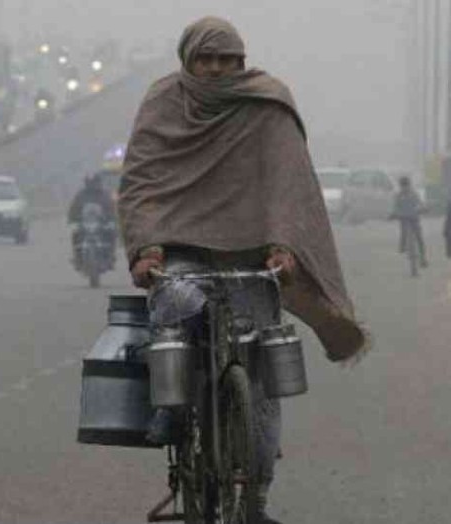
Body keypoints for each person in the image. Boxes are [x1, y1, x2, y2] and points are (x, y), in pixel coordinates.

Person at [118, 17, 370, 524]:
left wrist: (283, 245)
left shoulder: (265, 102)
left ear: (242, 61)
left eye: (226, 59)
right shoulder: (162, 101)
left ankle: (255, 502)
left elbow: (285, 181)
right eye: (205, 59)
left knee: (258, 386)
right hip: (182, 251)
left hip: (251, 256)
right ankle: (169, 411)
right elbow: (142, 178)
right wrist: (146, 249)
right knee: (176, 312)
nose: (215, 69)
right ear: (186, 61)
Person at [67, 173, 117, 270]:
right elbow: (74, 208)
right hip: (85, 224)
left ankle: (110, 256)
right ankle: (78, 257)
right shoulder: (81, 195)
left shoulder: (104, 195)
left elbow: (111, 208)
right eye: (90, 183)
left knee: (112, 233)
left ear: (98, 182)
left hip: (102, 224)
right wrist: (72, 218)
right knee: (75, 235)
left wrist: (111, 218)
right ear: (86, 183)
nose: (92, 185)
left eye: (94, 182)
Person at [390, 176, 427, 267]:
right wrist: (393, 214)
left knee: (419, 238)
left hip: (414, 218)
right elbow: (395, 207)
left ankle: (423, 258)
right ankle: (402, 247)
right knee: (403, 233)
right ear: (400, 186)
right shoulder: (398, 195)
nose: (405, 187)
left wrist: (423, 208)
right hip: (404, 219)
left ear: (409, 185)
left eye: (406, 185)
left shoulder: (414, 194)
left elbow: (421, 203)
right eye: (403, 185)